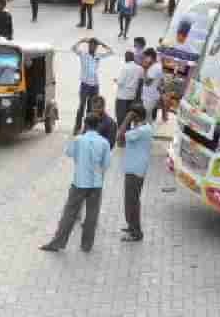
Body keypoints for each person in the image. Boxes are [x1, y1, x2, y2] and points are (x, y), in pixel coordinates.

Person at [39, 113, 111, 253]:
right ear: (98, 126)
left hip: (79, 182)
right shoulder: (104, 142)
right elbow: (106, 164)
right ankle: (86, 245)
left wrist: (77, 136)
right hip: (96, 184)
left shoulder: (79, 139)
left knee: (69, 213)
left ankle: (58, 242)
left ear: (85, 124)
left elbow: (69, 153)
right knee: (92, 214)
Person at [117, 103, 155, 242]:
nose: (130, 119)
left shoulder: (141, 131)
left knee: (132, 201)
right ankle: (132, 226)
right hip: (136, 169)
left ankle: (136, 232)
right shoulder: (142, 128)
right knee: (133, 200)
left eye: (132, 116)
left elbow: (120, 135)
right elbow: (121, 143)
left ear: (136, 116)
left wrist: (126, 119)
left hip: (135, 170)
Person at [71, 37, 111, 134]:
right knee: (81, 106)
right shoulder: (83, 54)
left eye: (94, 45)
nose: (92, 47)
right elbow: (73, 48)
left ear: (96, 47)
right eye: (90, 45)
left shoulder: (98, 55)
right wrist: (81, 40)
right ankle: (77, 127)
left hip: (95, 85)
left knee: (92, 108)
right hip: (85, 84)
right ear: (88, 45)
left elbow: (111, 52)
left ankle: (87, 128)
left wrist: (102, 43)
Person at [113, 50, 144, 128]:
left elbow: (120, 82)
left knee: (121, 118)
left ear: (126, 58)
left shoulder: (125, 67)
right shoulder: (139, 68)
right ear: (133, 58)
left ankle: (121, 135)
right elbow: (141, 81)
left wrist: (116, 80)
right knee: (128, 117)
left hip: (122, 96)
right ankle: (127, 133)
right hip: (132, 96)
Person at [140, 48, 164, 122]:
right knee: (148, 118)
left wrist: (144, 69)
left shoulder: (155, 68)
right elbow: (161, 81)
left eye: (145, 57)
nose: (144, 59)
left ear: (150, 57)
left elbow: (147, 82)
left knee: (145, 119)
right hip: (150, 96)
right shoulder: (157, 65)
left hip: (149, 98)